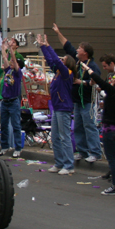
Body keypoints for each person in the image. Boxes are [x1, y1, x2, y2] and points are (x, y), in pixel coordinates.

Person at [52, 23, 102, 162]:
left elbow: (96, 82)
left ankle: (95, 152)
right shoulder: (77, 62)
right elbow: (67, 45)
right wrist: (58, 32)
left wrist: (82, 82)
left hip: (87, 101)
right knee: (78, 127)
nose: (77, 50)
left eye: (80, 48)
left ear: (85, 52)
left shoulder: (92, 66)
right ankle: (82, 151)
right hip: (77, 101)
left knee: (89, 126)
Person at [82, 63, 115, 194]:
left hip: (110, 129)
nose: (112, 79)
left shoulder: (114, 92)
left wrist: (89, 70)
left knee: (112, 159)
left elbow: (100, 82)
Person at [37, 34, 76, 175]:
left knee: (64, 137)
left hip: (63, 108)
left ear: (68, 63)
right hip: (57, 107)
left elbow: (56, 60)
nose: (61, 60)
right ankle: (59, 162)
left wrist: (48, 46)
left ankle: (69, 165)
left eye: (64, 59)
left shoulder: (66, 73)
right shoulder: (58, 73)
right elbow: (50, 60)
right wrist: (43, 46)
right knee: (55, 137)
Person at [0, 39, 24, 158]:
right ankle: (4, 146)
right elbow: (5, 57)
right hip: (5, 102)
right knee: (3, 125)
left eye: (14, 62)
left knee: (16, 125)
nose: (11, 63)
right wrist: (3, 47)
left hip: (13, 102)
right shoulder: (8, 70)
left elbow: (12, 58)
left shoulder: (18, 74)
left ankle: (18, 148)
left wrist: (11, 50)